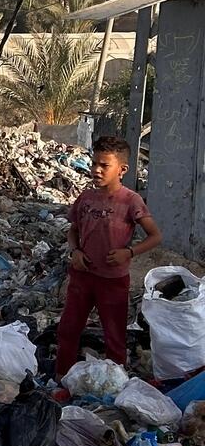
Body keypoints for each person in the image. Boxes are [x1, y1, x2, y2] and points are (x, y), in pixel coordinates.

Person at [54, 135, 161, 378]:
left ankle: (116, 381)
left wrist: (129, 252)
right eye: (94, 164)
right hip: (82, 276)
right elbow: (73, 230)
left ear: (122, 169)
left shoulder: (130, 200)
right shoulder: (86, 198)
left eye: (105, 165)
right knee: (68, 329)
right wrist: (75, 251)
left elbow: (155, 236)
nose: (97, 170)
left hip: (112, 280)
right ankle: (61, 378)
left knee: (114, 335)